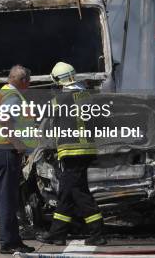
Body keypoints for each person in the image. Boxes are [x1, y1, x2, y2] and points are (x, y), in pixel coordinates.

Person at [37, 62, 106, 246]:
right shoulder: (87, 96)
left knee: (78, 192)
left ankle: (97, 232)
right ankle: (57, 234)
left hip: (71, 152)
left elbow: (43, 118)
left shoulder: (58, 100)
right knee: (67, 192)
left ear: (59, 80)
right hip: (87, 151)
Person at [0, 65, 36, 254]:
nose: (29, 85)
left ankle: (14, 240)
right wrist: (18, 144)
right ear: (23, 80)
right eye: (29, 81)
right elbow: (5, 121)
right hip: (5, 153)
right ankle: (7, 243)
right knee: (8, 200)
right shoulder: (12, 96)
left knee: (5, 199)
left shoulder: (2, 92)